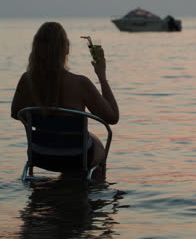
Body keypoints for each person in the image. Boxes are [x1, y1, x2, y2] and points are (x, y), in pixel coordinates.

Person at [11, 22, 119, 168]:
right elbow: (112, 117)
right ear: (66, 49)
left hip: (40, 156)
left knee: (72, 142)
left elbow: (15, 113)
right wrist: (102, 76)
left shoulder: (26, 80)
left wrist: (46, 117)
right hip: (76, 158)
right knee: (96, 142)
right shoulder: (80, 83)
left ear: (36, 48)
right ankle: (89, 189)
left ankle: (56, 187)